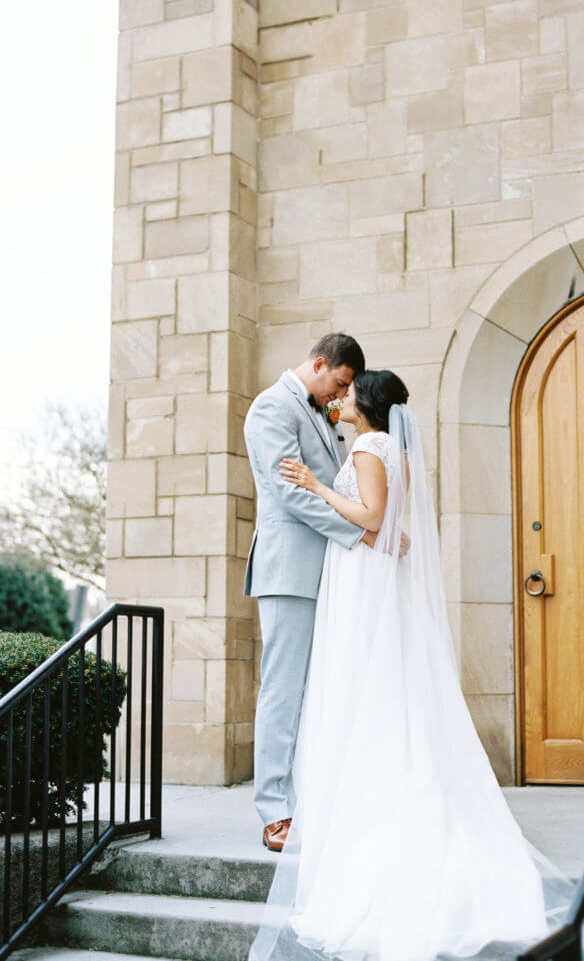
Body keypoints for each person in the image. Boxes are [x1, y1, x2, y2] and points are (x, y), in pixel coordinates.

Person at [247, 369, 575, 961]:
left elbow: (372, 518)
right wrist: (368, 525)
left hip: (363, 582)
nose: (339, 399)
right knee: (371, 692)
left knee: (366, 692)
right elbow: (385, 526)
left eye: (347, 393)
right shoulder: (375, 444)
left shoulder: (372, 446)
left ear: (364, 403)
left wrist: (320, 489)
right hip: (361, 575)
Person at [243, 332, 371, 852]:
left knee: (319, 688)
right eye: (338, 384)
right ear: (319, 364)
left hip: (328, 570)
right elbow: (290, 492)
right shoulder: (272, 407)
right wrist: (360, 531)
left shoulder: (320, 412)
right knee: (284, 688)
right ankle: (274, 810)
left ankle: (313, 800)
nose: (340, 398)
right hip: (290, 568)